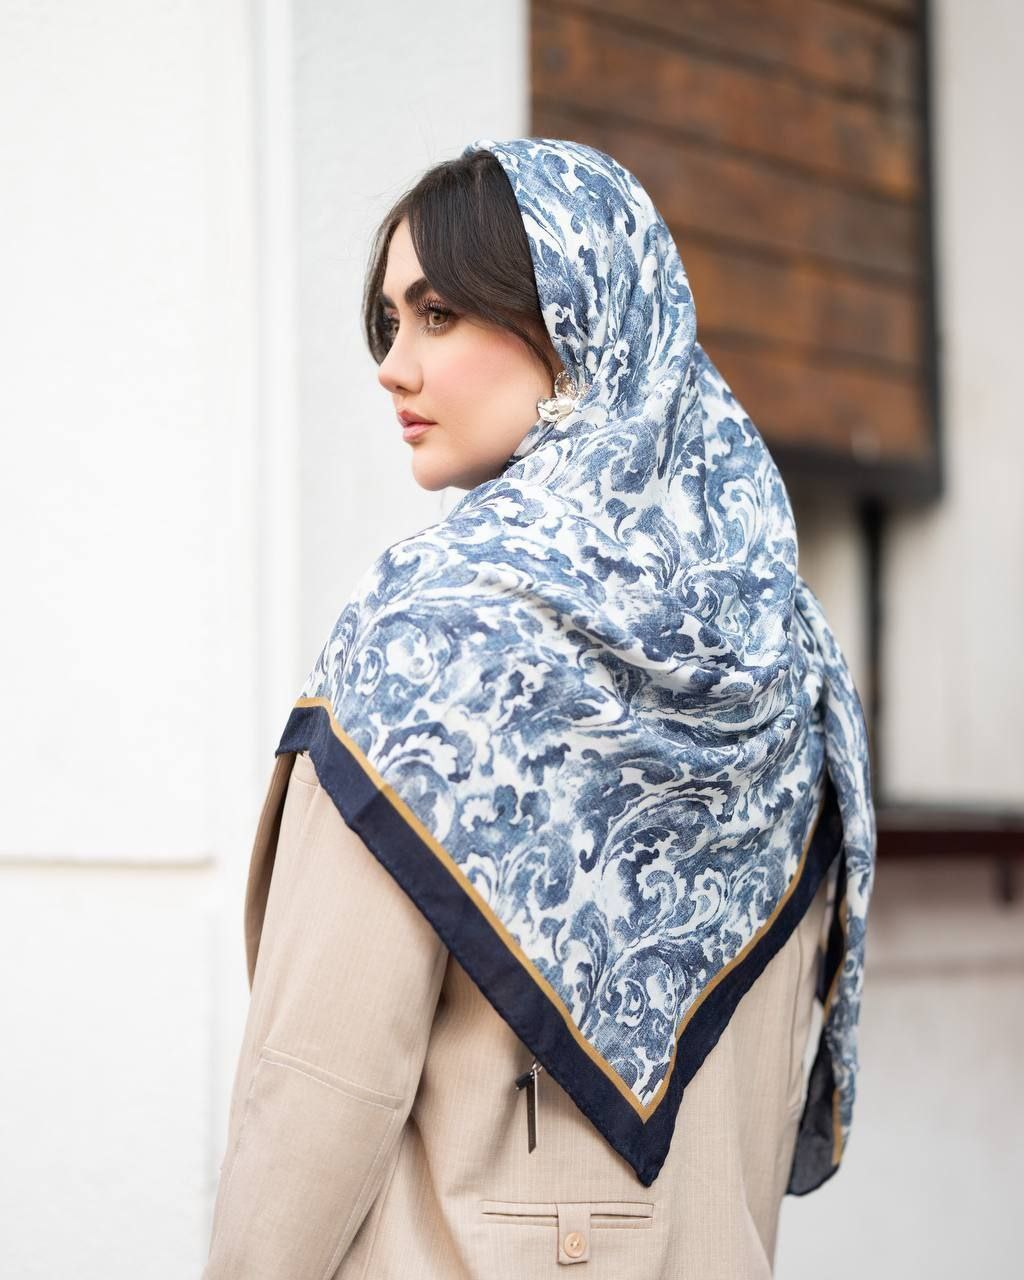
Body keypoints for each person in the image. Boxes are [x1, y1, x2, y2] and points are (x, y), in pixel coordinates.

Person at [202, 138, 876, 1279]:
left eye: (439, 315)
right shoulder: (785, 661)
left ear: (578, 321)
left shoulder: (435, 640)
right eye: (389, 324)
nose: (392, 368)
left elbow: (320, 1083)